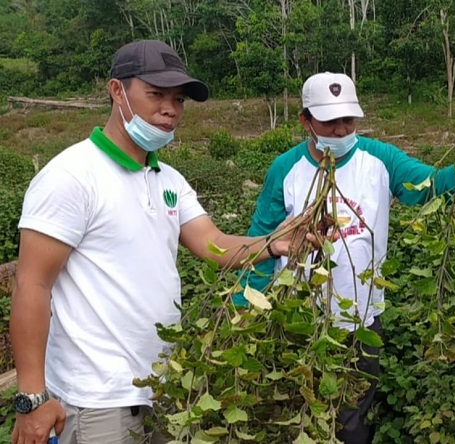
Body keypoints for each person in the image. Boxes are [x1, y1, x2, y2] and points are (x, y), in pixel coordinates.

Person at [9, 40, 321, 444]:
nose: (169, 109)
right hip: (97, 399)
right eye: (155, 94)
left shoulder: (168, 179)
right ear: (117, 90)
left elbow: (213, 243)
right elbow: (32, 285)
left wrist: (276, 242)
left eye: (178, 99)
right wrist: (32, 397)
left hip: (165, 386)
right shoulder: (72, 176)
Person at [234, 72, 455, 443]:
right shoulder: (285, 169)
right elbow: (261, 242)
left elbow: (433, 188)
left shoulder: (380, 158)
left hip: (361, 319)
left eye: (349, 120)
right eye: (330, 122)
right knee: (298, 414)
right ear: (305, 121)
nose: (341, 131)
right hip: (298, 321)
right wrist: (243, 308)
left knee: (352, 417)